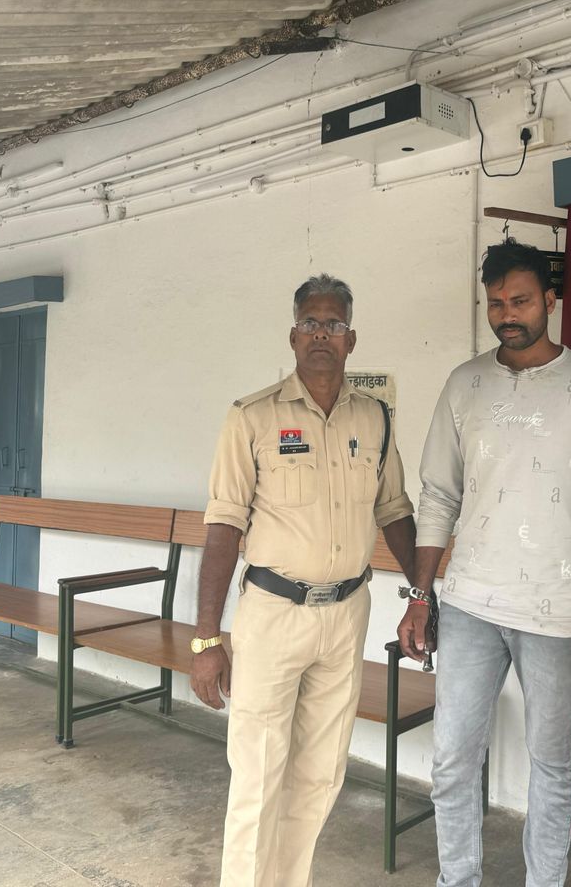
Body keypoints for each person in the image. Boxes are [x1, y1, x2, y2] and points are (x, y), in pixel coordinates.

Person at [397, 239, 571, 887]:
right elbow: (438, 496)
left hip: (558, 612)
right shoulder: (464, 384)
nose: (508, 314)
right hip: (469, 603)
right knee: (452, 759)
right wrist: (420, 596)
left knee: (551, 765)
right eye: (497, 302)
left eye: (522, 301)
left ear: (550, 301)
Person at [190, 274, 416, 887]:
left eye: (334, 324)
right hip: (273, 615)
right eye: (311, 323)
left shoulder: (375, 418)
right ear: (292, 336)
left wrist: (423, 592)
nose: (322, 334)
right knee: (258, 777)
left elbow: (394, 510)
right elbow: (223, 528)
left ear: (351, 339)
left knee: (320, 776)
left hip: (345, 617)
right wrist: (207, 639)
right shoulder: (252, 417)